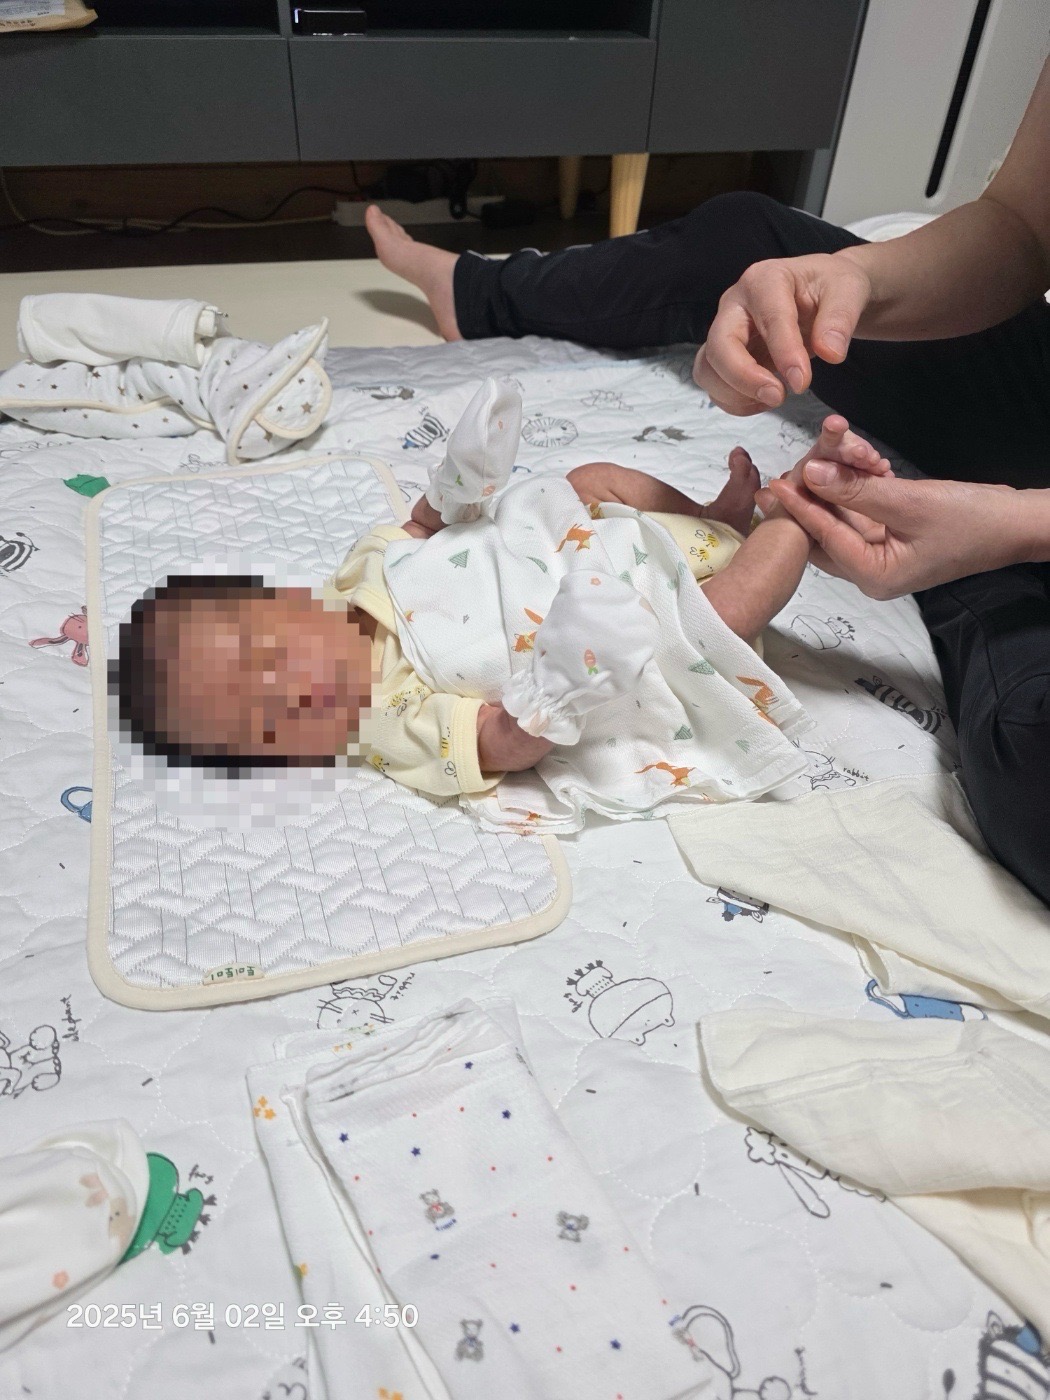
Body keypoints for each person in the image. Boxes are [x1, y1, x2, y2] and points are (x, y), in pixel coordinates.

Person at [363, 55, 1050, 901]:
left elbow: (446, 574)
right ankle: (476, 291)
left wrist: (1017, 529)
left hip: (617, 607)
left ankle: (927, 555)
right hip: (620, 604)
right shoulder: (375, 683)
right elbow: (1024, 227)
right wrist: (856, 281)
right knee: (742, 240)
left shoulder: (364, 659)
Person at [115, 381, 886, 828]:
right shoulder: (384, 726)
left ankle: (716, 517)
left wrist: (461, 480)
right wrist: (555, 692)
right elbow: (494, 742)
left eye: (268, 654)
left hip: (574, 542)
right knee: (717, 620)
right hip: (628, 622)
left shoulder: (358, 571)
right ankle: (804, 512)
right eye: (268, 716)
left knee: (590, 477)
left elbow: (430, 527)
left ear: (282, 602)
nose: (291, 686)